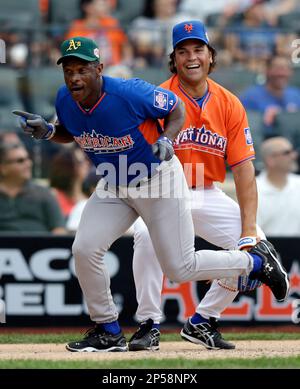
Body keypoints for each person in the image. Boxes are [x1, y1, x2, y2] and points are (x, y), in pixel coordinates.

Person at [12, 36, 289, 352]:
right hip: (114, 183)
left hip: (158, 181)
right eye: (69, 70)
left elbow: (176, 108)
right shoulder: (65, 98)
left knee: (179, 268)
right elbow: (72, 131)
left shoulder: (128, 92)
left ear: (99, 68)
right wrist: (49, 131)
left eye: (83, 69)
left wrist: (168, 139)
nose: (75, 77)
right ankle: (108, 330)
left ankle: (252, 264)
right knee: (85, 248)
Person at [128, 20, 267, 352]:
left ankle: (203, 319)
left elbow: (245, 171)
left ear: (210, 55)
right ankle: (148, 323)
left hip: (207, 191)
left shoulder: (230, 103)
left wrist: (248, 231)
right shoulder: (157, 98)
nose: (191, 57)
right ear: (173, 59)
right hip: (163, 192)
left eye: (198, 49)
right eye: (183, 51)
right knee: (145, 237)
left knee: (257, 248)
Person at [0, 140, 66, 234]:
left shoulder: (44, 193)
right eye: (20, 161)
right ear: (3, 168)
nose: (28, 164)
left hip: (40, 247)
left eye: (28, 159)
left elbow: (59, 229)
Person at [240, 55, 300, 134]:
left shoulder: (296, 95)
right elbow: (242, 128)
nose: (281, 73)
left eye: (286, 69)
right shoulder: (250, 96)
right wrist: (262, 118)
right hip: (264, 141)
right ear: (267, 71)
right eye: (277, 68)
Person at [256, 137, 300, 236]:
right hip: (266, 251)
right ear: (270, 159)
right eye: (287, 152)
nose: (294, 156)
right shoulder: (252, 191)